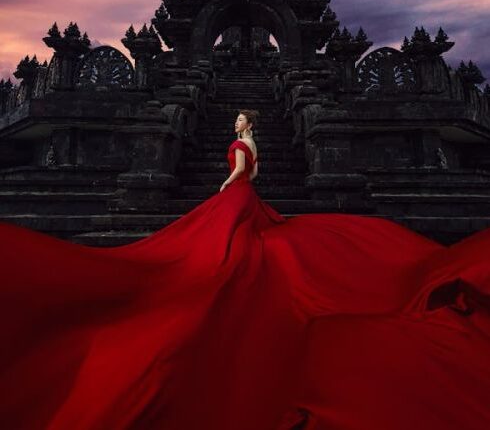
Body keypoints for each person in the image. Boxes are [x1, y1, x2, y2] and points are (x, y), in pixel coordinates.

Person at [0, 108, 489, 430]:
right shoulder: (251, 144)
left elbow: (242, 173)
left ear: (244, 124)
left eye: (237, 119)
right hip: (244, 192)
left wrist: (224, 186)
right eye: (234, 119)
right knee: (240, 236)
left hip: (236, 192)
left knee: (225, 241)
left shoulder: (244, 145)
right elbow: (253, 172)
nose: (234, 122)